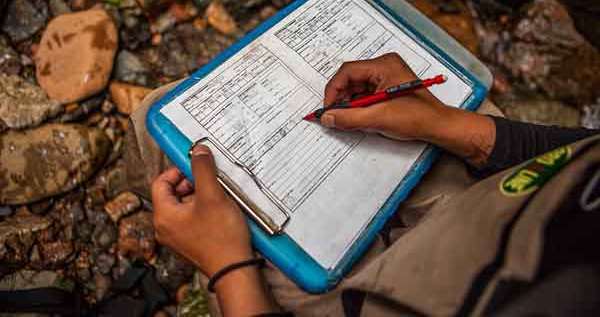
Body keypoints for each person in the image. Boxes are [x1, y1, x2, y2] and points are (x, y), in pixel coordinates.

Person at [125, 53, 600, 316]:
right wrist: (452, 128)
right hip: (494, 199)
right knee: (177, 110)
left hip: (381, 299)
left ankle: (194, 256)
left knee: (157, 117)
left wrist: (227, 267)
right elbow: (584, 150)